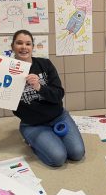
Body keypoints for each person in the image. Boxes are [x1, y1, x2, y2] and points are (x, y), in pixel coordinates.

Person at [10, 29, 85, 167]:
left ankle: (47, 139)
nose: (24, 47)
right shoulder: (6, 71)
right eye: (19, 43)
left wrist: (39, 87)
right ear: (12, 46)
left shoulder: (45, 64)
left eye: (28, 43)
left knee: (77, 153)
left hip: (58, 117)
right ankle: (32, 140)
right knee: (58, 158)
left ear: (32, 47)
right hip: (33, 124)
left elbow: (58, 94)